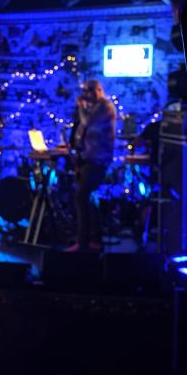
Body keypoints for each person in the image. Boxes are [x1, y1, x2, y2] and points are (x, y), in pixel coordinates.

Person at [65, 80, 117, 253]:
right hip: (88, 158)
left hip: (97, 159)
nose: (87, 94)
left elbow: (87, 121)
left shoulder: (105, 107)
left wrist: (81, 106)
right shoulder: (94, 108)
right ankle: (94, 239)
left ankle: (84, 242)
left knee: (81, 196)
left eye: (91, 90)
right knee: (86, 198)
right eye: (86, 91)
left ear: (99, 90)